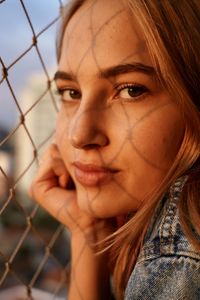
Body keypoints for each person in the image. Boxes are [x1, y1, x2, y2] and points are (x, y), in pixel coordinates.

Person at [29, 0, 200, 299]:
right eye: (71, 93)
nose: (78, 135)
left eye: (131, 90)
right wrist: (89, 231)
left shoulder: (185, 242)